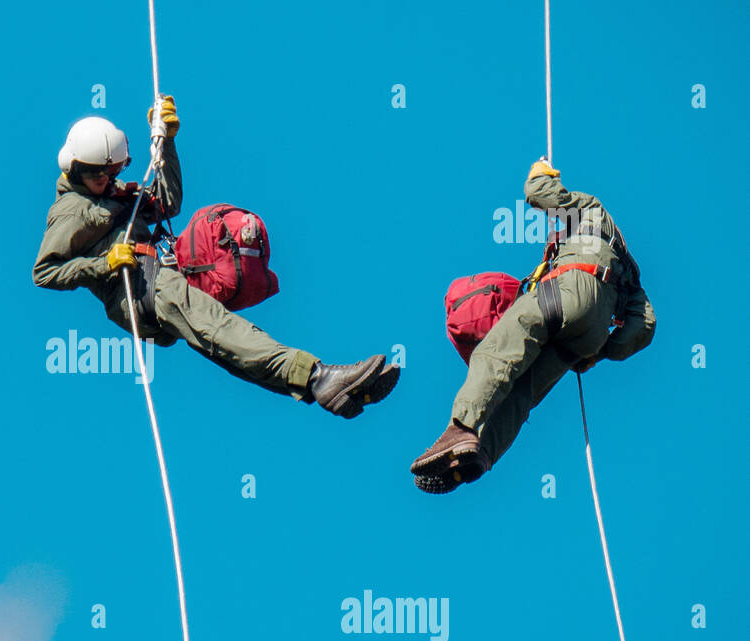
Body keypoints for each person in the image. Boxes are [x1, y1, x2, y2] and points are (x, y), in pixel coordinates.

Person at [33, 96, 398, 417]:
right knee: (219, 328)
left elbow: (167, 203)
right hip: (138, 290)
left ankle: (316, 386)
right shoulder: (71, 211)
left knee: (220, 340)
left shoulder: (111, 196)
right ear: (78, 170)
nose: (111, 179)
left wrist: (168, 144)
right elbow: (45, 272)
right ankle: (318, 376)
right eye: (103, 174)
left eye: (116, 170)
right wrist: (105, 263)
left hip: (155, 277)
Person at [410, 159, 657, 493]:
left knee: (495, 353)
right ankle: (481, 454)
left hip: (570, 289)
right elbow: (644, 326)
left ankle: (461, 428)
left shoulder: (589, 210)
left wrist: (541, 172)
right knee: (521, 395)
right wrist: (601, 352)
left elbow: (539, 192)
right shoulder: (631, 280)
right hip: (588, 335)